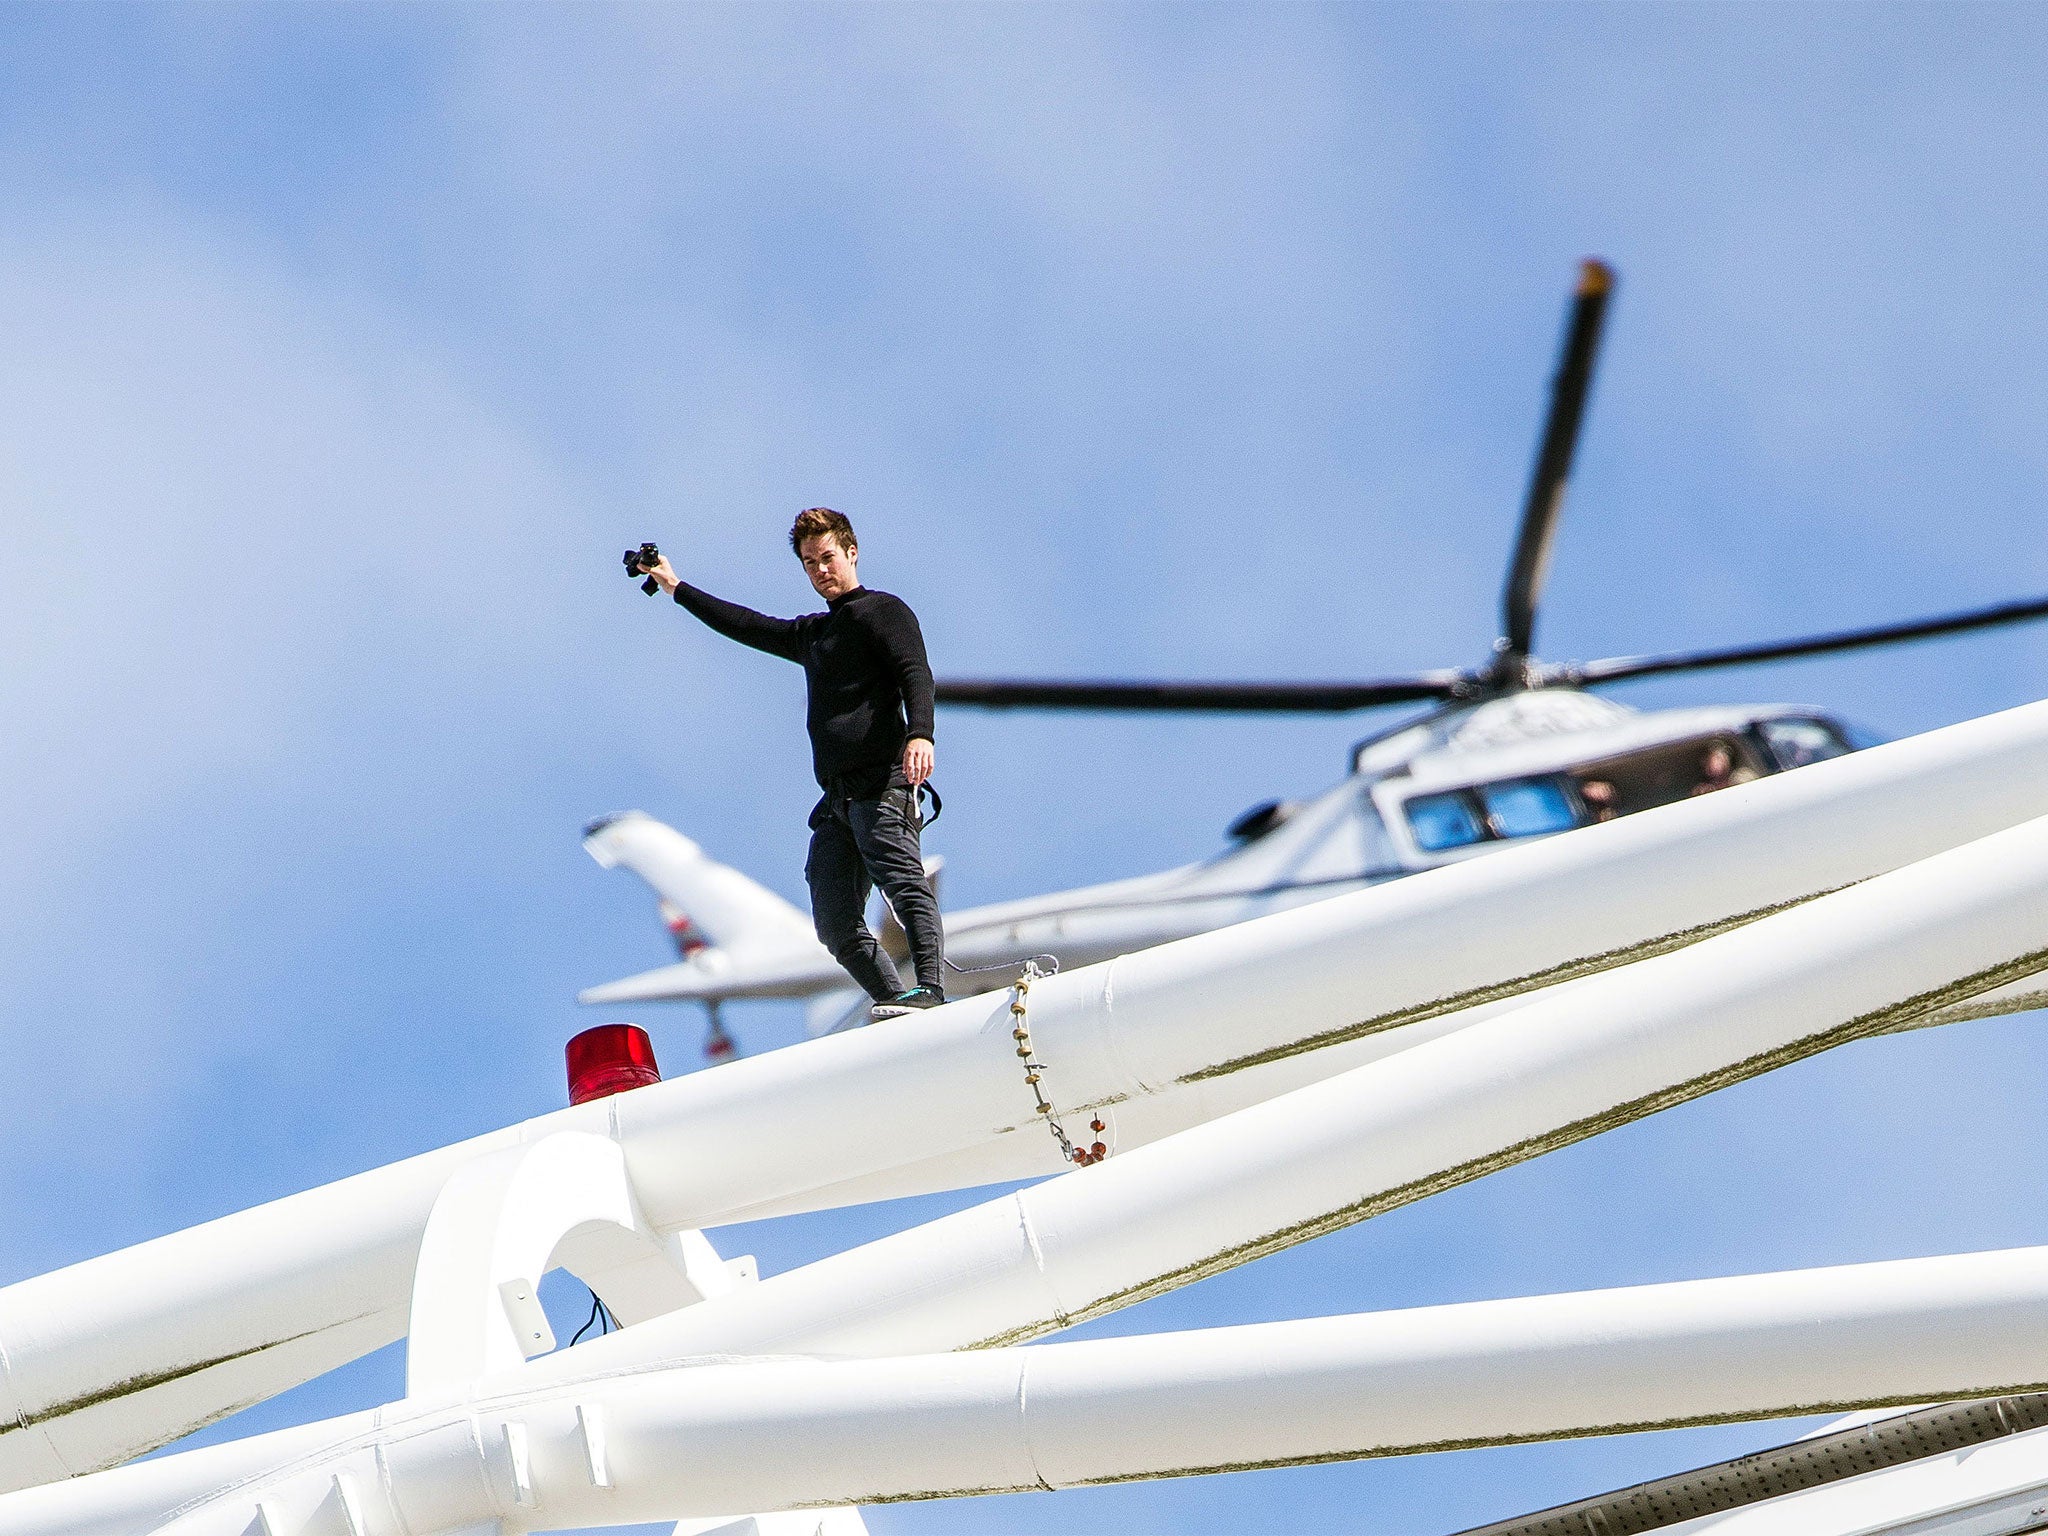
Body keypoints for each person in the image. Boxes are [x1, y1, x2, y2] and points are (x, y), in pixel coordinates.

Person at [641, 508, 946, 1021]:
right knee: (833, 921)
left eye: (828, 557)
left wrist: (921, 733)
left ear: (851, 553)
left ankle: (931, 990)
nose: (820, 570)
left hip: (883, 784)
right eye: (810, 563)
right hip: (838, 802)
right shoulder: (813, 635)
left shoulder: (882, 611)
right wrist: (676, 586)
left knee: (902, 883)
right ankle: (895, 1000)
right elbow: (747, 625)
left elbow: (915, 671)